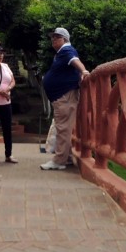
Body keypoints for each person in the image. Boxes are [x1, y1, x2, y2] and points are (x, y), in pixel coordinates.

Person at [40, 27, 90, 170]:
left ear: (65, 39)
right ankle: (65, 158)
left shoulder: (67, 50)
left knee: (62, 128)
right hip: (63, 96)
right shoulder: (61, 53)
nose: (53, 40)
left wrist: (83, 71)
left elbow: (75, 60)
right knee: (64, 128)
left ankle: (58, 161)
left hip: (64, 96)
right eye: (52, 37)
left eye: (57, 37)